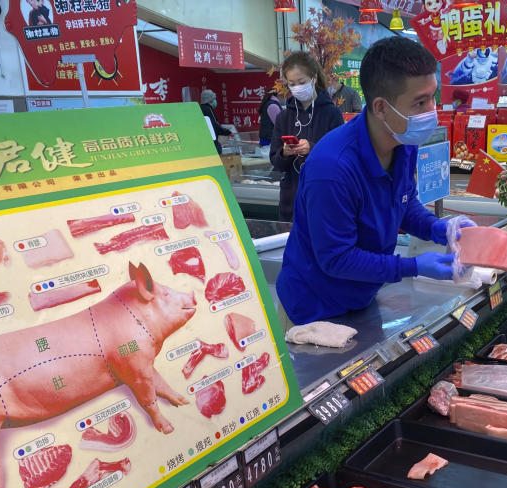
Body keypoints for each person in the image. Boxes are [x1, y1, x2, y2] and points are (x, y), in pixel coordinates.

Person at [276, 37, 473, 325]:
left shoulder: (402, 141)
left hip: (361, 298)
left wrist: (439, 228)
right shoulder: (332, 169)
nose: (431, 110)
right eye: (420, 102)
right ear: (381, 108)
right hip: (313, 310)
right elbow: (337, 258)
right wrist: (413, 266)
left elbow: (402, 203)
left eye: (433, 97)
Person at [269, 52, 343, 222]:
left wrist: (313, 148)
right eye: (292, 84)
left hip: (323, 197)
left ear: (314, 78)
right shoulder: (284, 116)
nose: (297, 87)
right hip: (291, 200)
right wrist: (285, 153)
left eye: (301, 82)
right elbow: (276, 161)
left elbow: (342, 157)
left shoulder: (331, 114)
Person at [199, 89, 232, 155]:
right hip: (211, 142)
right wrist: (227, 132)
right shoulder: (208, 109)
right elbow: (214, 124)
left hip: (203, 141)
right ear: (210, 100)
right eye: (214, 99)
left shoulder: (199, 108)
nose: (215, 101)